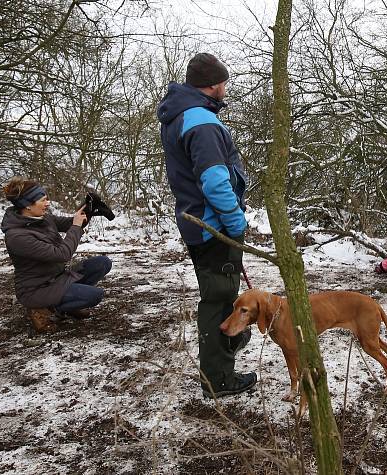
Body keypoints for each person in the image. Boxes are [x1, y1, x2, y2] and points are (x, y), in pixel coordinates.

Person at [157, 52, 256, 398]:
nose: (226, 88)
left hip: (196, 222)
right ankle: (219, 380)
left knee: (218, 295)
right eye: (224, 82)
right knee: (218, 300)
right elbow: (215, 182)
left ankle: (222, 360)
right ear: (214, 84)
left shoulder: (179, 117)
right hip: (212, 226)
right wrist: (235, 222)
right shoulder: (202, 122)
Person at [1, 177, 112, 333]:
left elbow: (71, 223)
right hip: (37, 289)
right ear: (27, 205)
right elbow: (62, 254)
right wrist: (76, 226)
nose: (48, 203)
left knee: (103, 263)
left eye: (47, 199)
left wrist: (88, 208)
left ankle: (71, 304)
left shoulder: (42, 218)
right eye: (43, 200)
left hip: (59, 278)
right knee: (95, 296)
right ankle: (43, 309)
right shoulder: (17, 237)